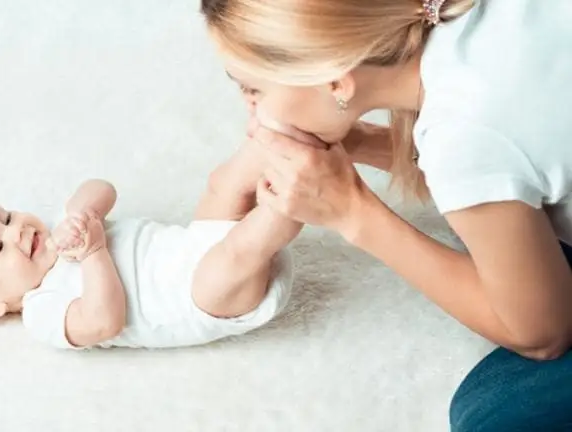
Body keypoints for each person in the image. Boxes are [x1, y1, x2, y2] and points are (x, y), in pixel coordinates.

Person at [200, 0, 572, 430]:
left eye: (253, 90)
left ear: (337, 82)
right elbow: (514, 159)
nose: (250, 109)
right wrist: (360, 143)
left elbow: (542, 334)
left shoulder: (464, 137)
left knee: (496, 410)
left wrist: (354, 212)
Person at [0, 141, 300, 349]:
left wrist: (82, 211)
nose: (16, 230)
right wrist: (94, 254)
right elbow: (103, 321)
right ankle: (306, 191)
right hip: (202, 299)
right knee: (238, 252)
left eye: (5, 217)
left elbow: (103, 189)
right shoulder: (43, 313)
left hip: (196, 241)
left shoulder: (56, 230)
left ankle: (290, 140)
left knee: (223, 183)